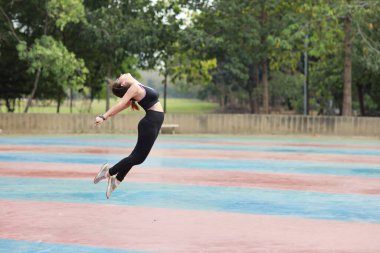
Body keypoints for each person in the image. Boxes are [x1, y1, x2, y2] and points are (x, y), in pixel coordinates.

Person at [93, 73, 164, 199]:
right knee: (139, 158)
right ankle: (109, 172)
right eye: (119, 77)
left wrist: (127, 78)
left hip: (154, 122)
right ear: (123, 83)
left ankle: (117, 180)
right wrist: (104, 116)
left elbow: (129, 85)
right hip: (150, 123)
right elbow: (121, 104)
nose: (121, 75)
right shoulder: (134, 88)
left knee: (135, 156)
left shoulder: (136, 85)